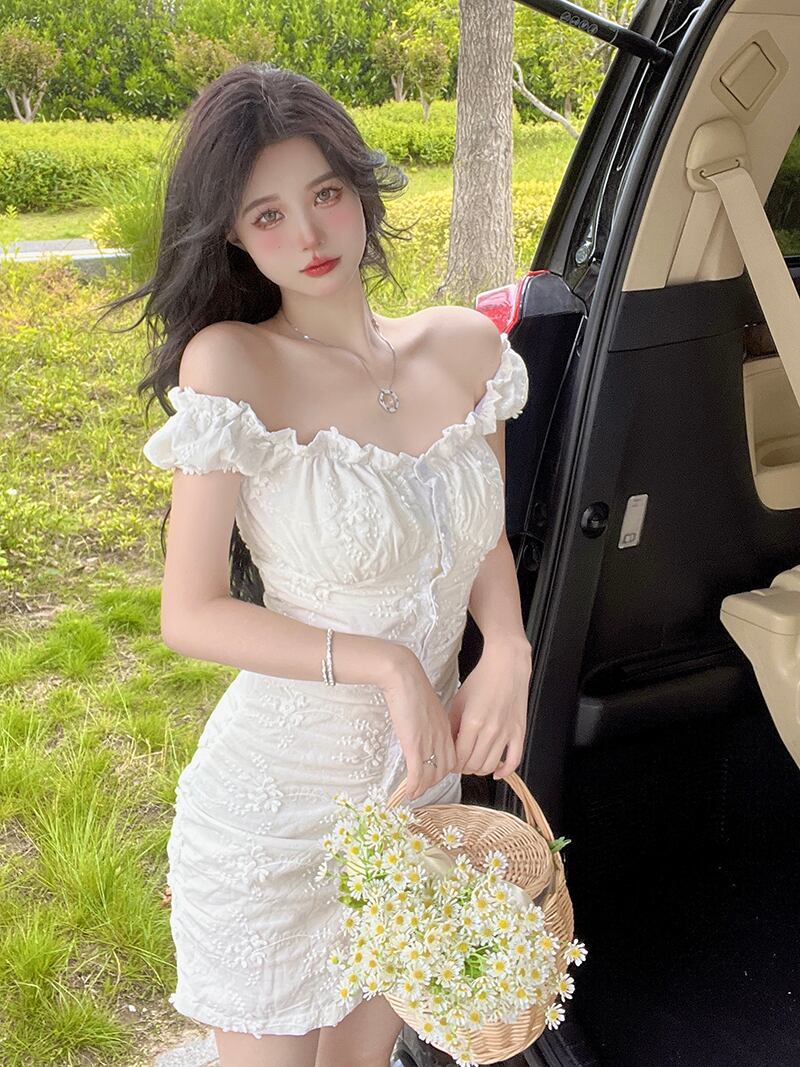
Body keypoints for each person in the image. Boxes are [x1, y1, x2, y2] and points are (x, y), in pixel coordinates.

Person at [103, 62, 532, 1067]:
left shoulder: (465, 348)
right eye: (268, 214)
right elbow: (190, 610)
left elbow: (481, 536)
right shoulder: (234, 364)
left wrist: (508, 644)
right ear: (233, 235)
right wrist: (387, 662)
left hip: (411, 798)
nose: (308, 234)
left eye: (325, 193)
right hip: (275, 809)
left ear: (359, 185)